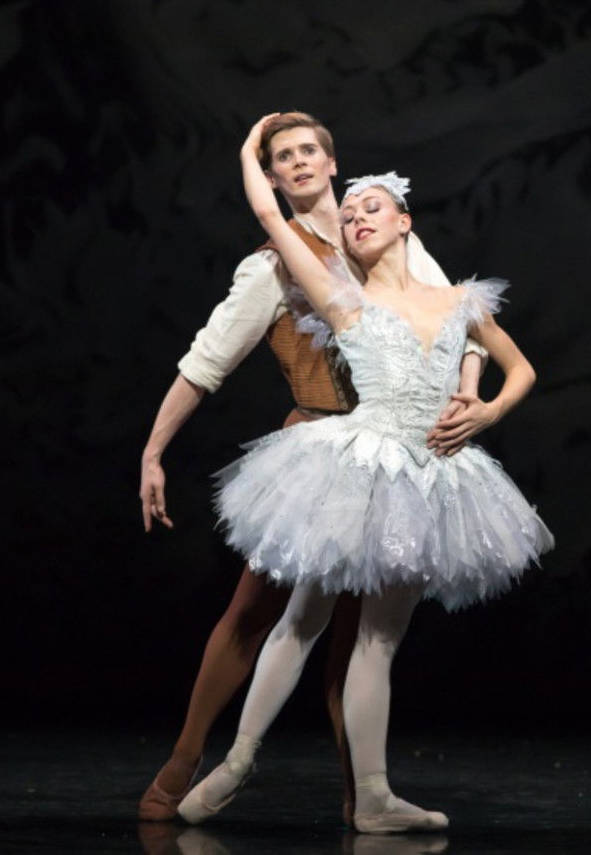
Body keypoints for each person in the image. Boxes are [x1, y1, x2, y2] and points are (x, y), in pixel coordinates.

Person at [176, 116, 554, 834]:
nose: (355, 219)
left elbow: (522, 369)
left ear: (404, 221)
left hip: (428, 478)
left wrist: (484, 410)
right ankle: (236, 761)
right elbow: (269, 216)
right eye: (347, 216)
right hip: (356, 469)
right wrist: (249, 150)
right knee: (303, 618)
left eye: (370, 207)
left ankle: (374, 799)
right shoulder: (343, 299)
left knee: (379, 641)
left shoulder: (458, 301)